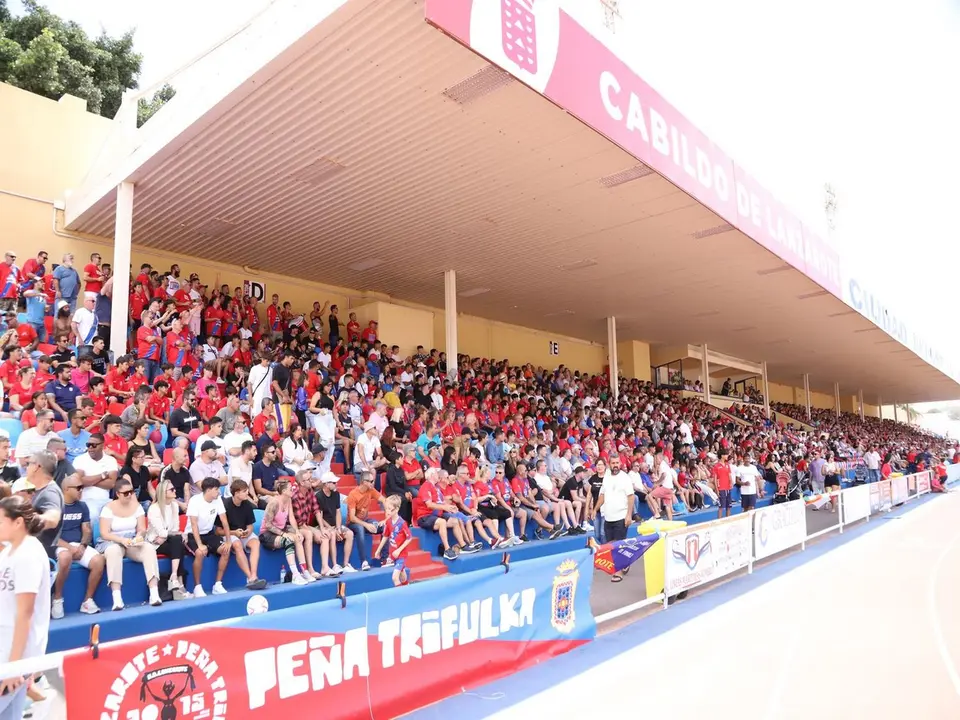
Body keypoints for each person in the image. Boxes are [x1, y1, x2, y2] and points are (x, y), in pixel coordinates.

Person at [0, 497, 51, 719]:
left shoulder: (28, 554)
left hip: (14, 654)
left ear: (18, 522)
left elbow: (25, 613)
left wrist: (15, 666)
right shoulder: (8, 553)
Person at [97, 477, 162, 610]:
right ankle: (117, 597)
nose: (130, 495)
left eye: (131, 492)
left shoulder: (137, 506)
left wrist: (139, 536)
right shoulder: (108, 508)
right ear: (117, 494)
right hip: (113, 541)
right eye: (126, 493)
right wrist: (121, 540)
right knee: (113, 551)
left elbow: (142, 529)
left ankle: (154, 592)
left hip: (132, 541)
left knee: (149, 548)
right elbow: (104, 533)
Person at [53, 475, 105, 617]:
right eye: (78, 488)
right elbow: (51, 536)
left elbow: (87, 529)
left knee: (99, 560)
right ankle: (57, 598)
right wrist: (70, 548)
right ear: (66, 489)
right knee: (65, 557)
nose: (81, 490)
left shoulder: (82, 506)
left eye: (82, 487)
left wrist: (82, 546)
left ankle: (87, 601)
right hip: (60, 545)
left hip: (77, 544)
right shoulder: (55, 506)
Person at [185, 476, 233, 598]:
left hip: (209, 534)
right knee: (200, 553)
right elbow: (194, 525)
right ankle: (197, 587)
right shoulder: (195, 500)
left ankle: (218, 584)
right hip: (192, 535)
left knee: (226, 550)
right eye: (217, 489)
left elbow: (224, 522)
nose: (219, 492)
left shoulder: (218, 500)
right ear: (209, 490)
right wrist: (200, 544)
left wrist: (228, 541)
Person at [259, 478, 314, 585]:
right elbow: (268, 525)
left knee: (298, 538)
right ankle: (295, 575)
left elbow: (292, 518)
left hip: (281, 530)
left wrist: (297, 531)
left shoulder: (288, 499)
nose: (293, 489)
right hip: (267, 534)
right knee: (288, 540)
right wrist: (284, 534)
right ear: (284, 491)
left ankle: (304, 571)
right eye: (290, 488)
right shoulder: (274, 503)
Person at [290, 466, 338, 578]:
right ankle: (310, 569)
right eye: (308, 479)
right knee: (311, 534)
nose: (311, 481)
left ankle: (325, 567)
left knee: (325, 534)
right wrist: (315, 531)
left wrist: (321, 528)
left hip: (305, 525)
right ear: (302, 483)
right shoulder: (295, 496)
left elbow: (316, 510)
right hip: (295, 526)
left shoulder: (310, 491)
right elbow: (299, 522)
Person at [146, 478, 188, 599]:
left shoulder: (174, 505)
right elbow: (161, 532)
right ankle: (179, 585)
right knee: (178, 542)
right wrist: (175, 534)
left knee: (177, 542)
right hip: (154, 543)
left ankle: (174, 577)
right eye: (172, 489)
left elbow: (175, 527)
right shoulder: (154, 508)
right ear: (163, 493)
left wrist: (174, 534)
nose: (175, 491)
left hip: (168, 540)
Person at [594, 456, 634, 582]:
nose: (615, 465)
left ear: (620, 463)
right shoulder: (606, 477)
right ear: (609, 464)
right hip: (608, 517)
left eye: (617, 462)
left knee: (618, 544)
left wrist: (629, 515)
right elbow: (603, 495)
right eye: (613, 463)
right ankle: (625, 562)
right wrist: (595, 509)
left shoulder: (625, 478)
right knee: (611, 543)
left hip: (621, 516)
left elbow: (631, 496)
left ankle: (618, 572)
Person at [315, 472, 355, 573]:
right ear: (327, 484)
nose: (336, 484)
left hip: (335, 525)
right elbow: (320, 516)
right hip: (324, 525)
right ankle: (334, 564)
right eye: (333, 482)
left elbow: (338, 512)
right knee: (332, 534)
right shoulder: (318, 496)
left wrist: (338, 528)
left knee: (349, 533)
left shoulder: (336, 494)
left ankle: (345, 564)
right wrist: (332, 529)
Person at [75, 432, 119, 524]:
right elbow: (79, 481)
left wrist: (88, 480)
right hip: (86, 500)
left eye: (94, 445)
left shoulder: (110, 460)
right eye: (88, 445)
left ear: (102, 445)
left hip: (106, 500)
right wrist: (101, 476)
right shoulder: (80, 459)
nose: (90, 448)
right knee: (93, 516)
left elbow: (111, 484)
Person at [346, 471, 386, 571]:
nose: (373, 483)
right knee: (360, 528)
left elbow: (385, 500)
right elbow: (352, 518)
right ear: (364, 482)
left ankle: (384, 558)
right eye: (371, 481)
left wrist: (387, 517)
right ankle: (364, 561)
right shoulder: (353, 494)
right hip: (353, 523)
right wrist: (366, 525)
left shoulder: (371, 490)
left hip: (365, 520)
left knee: (383, 527)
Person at [374, 495, 412, 586]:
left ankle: (400, 597)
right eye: (386, 508)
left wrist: (399, 550)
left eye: (390, 509)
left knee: (395, 577)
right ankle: (407, 587)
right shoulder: (388, 522)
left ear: (396, 509)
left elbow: (409, 538)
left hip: (401, 554)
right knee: (402, 575)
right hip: (393, 553)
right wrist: (378, 550)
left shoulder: (402, 523)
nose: (387, 511)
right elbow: (385, 536)